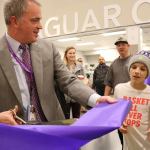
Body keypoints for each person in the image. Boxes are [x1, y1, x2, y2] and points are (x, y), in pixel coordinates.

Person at [0, 0, 115, 125]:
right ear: (14, 21)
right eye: (35, 20)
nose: (40, 26)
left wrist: (96, 99)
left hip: (52, 126)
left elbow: (68, 80)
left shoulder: (48, 48)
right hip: (14, 134)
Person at [114, 50, 150, 150]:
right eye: (134, 67)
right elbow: (117, 113)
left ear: (147, 74)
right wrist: (119, 124)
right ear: (129, 70)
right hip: (128, 144)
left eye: (142, 69)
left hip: (146, 142)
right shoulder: (119, 89)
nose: (137, 71)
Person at [64, 46, 84, 118]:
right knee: (66, 117)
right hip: (65, 95)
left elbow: (83, 78)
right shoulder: (62, 66)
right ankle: (66, 129)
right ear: (66, 54)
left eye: (73, 53)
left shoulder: (79, 65)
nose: (72, 55)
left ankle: (76, 129)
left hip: (77, 94)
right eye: (70, 53)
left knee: (76, 116)